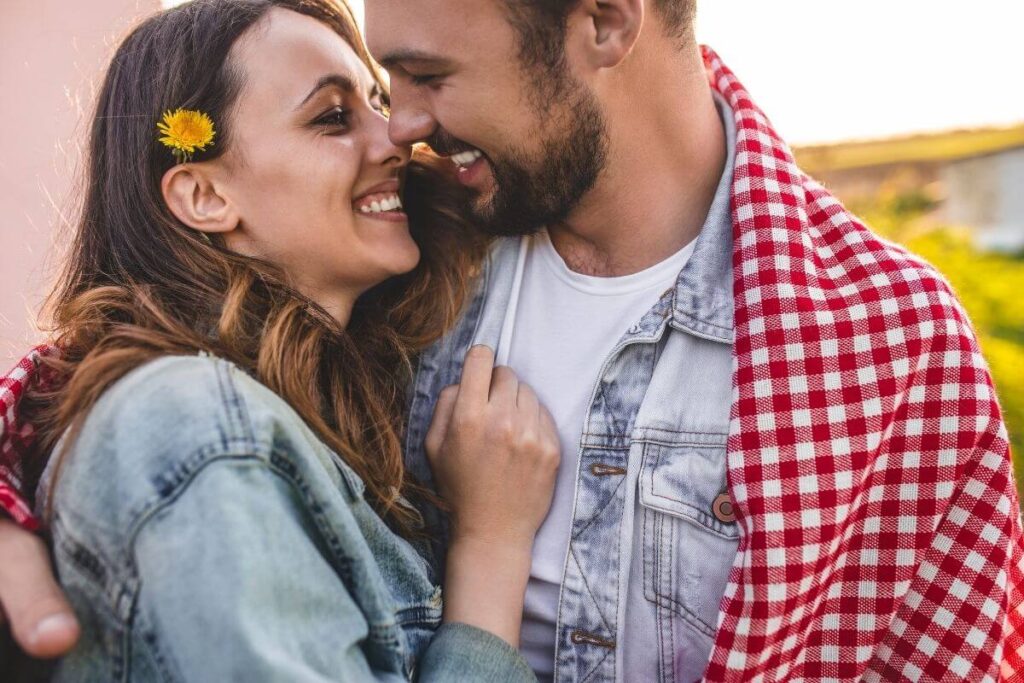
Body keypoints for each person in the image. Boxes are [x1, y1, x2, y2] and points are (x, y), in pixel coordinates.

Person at [2, 0, 1023, 681]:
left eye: (418, 77)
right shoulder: (410, 271)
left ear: (606, 19)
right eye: (348, 104)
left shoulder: (886, 340)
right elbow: (129, 392)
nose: (399, 130)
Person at [0, 0, 559, 679]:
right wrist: (491, 550)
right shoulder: (197, 425)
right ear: (204, 195)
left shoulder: (311, 413)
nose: (395, 140)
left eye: (378, 101)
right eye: (331, 117)